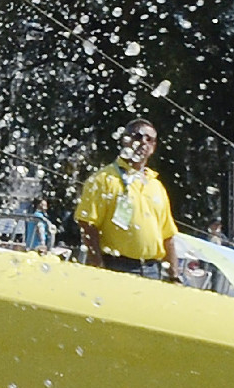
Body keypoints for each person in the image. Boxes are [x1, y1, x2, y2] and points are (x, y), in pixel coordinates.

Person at [74, 118, 181, 280]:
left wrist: (174, 275)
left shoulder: (156, 185)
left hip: (152, 269)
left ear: (153, 147)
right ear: (126, 140)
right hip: (116, 266)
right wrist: (98, 266)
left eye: (149, 139)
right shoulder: (103, 179)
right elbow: (87, 225)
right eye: (138, 136)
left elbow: (168, 236)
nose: (143, 142)